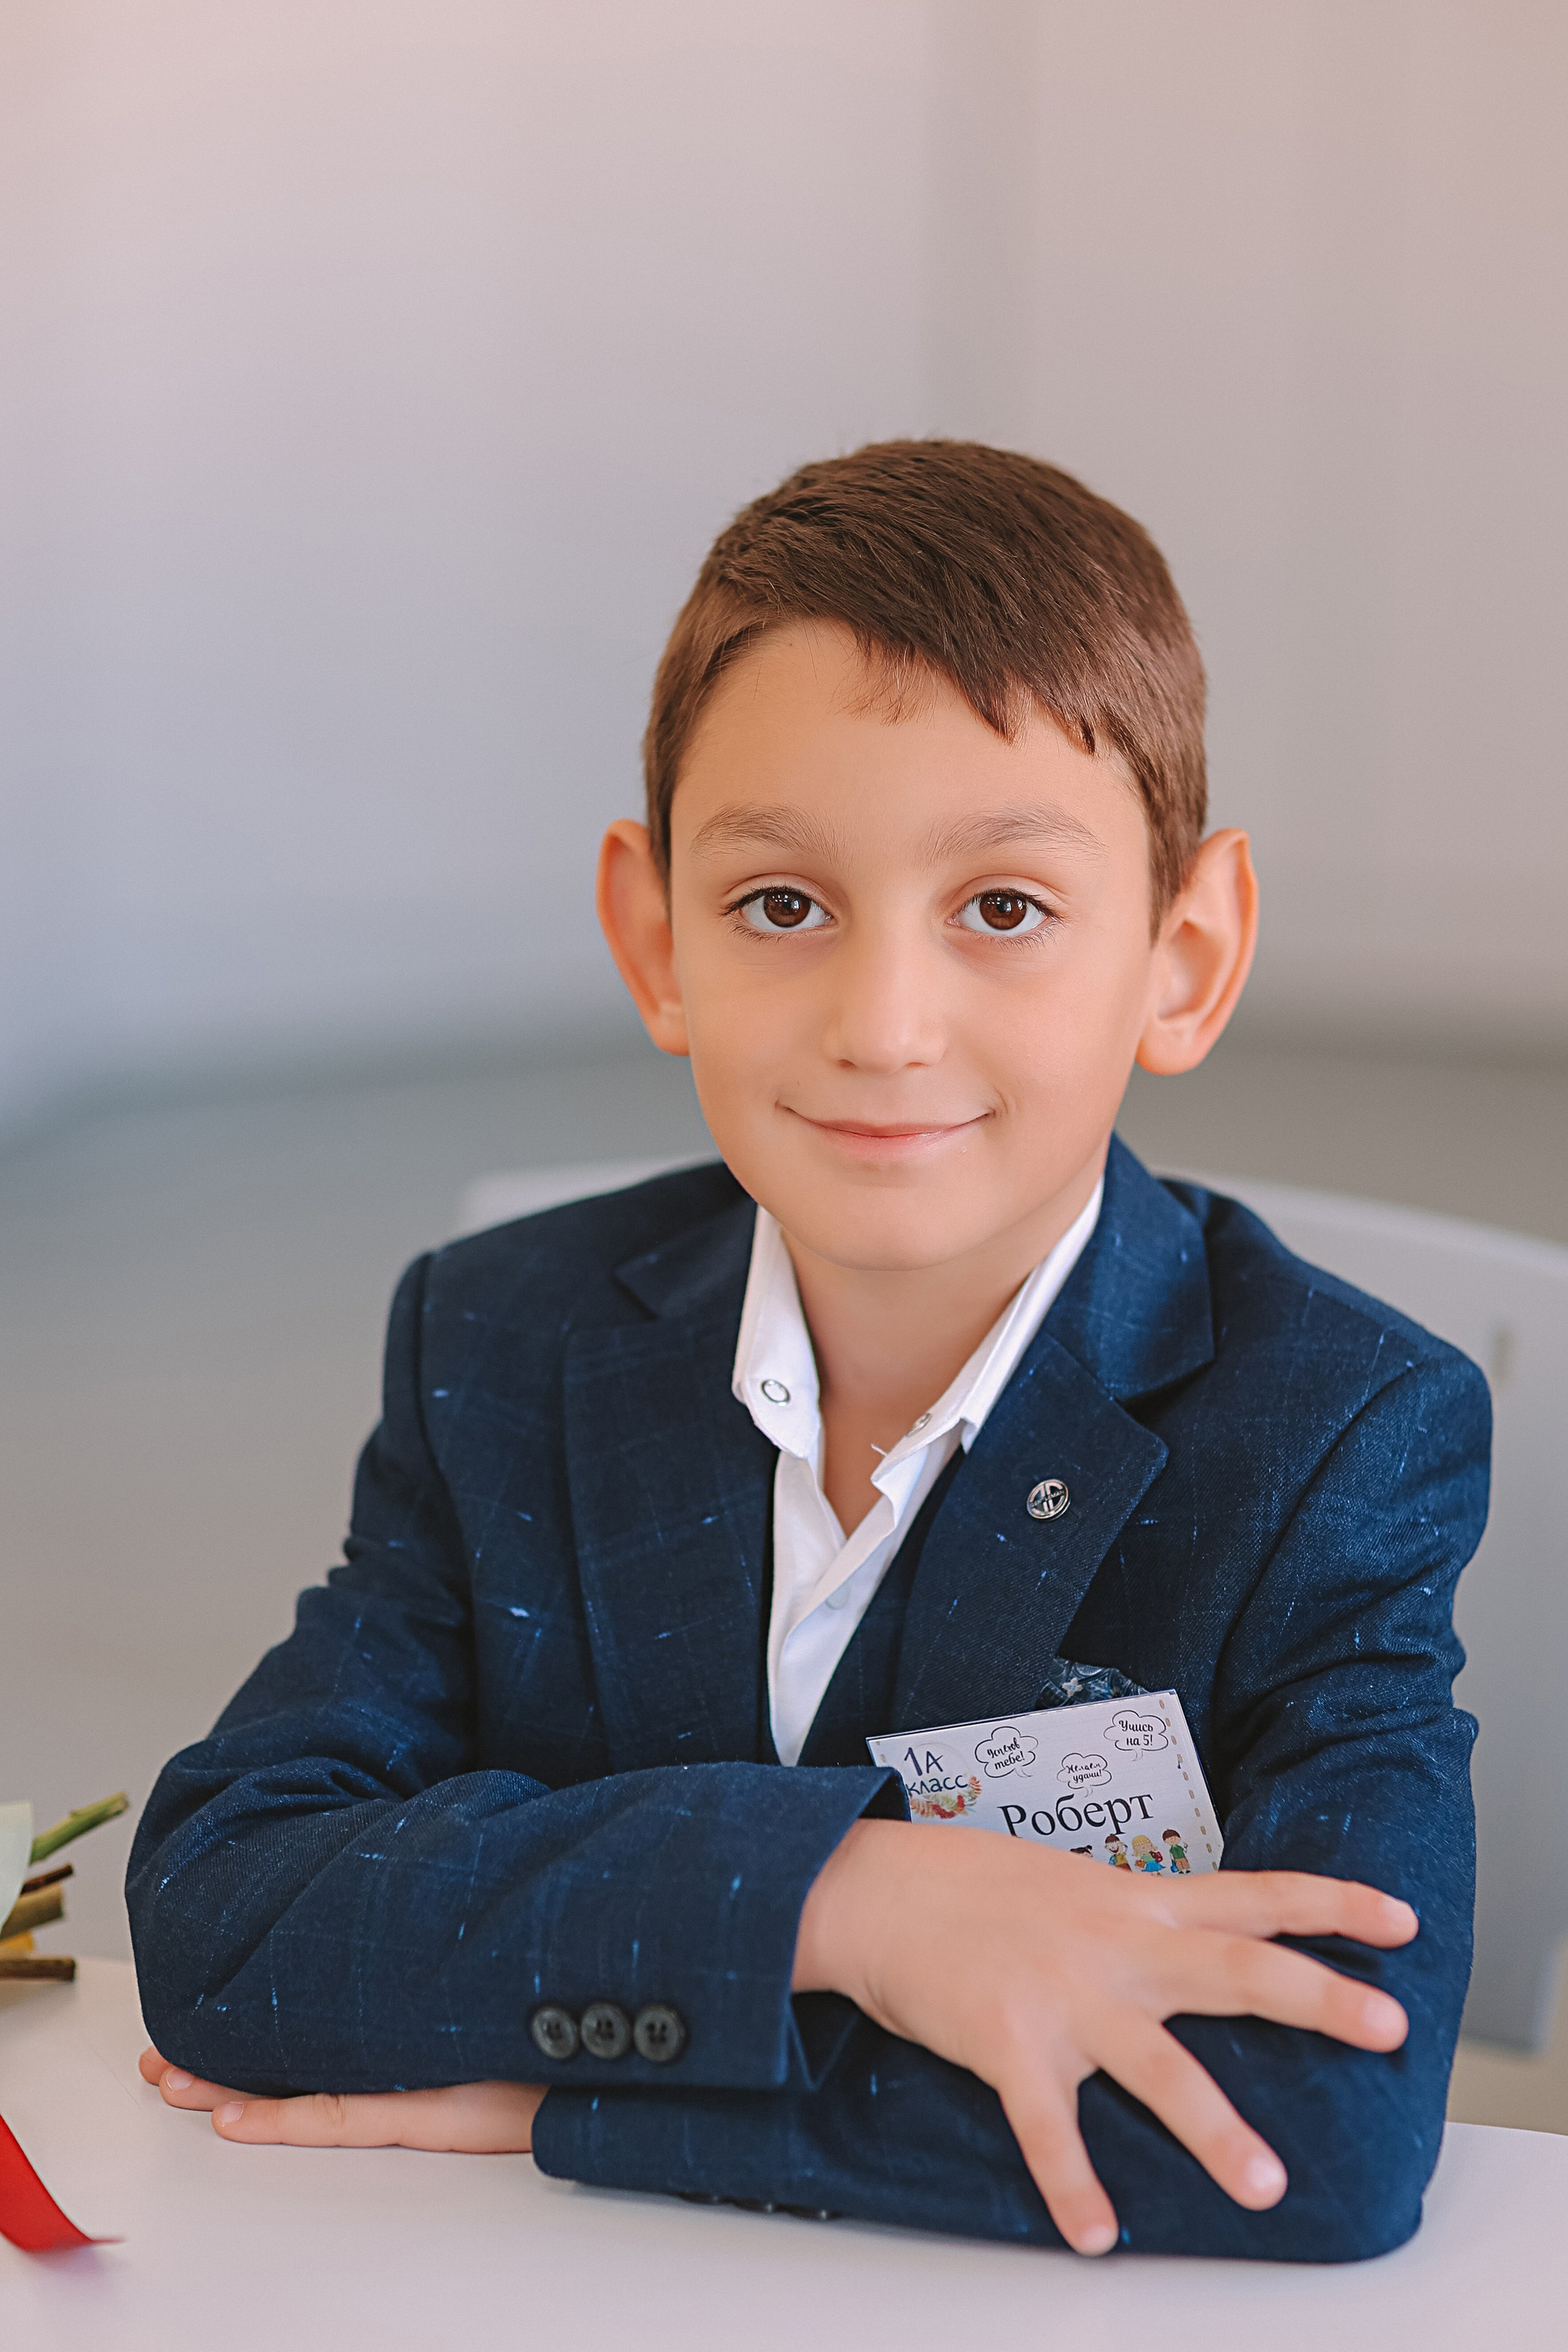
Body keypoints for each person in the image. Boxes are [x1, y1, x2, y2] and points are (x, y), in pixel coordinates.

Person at [126, 441, 1489, 2262]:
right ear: (655, 939)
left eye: (1003, 908)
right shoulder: (504, 1343)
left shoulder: (1340, 1433)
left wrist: (579, 2102)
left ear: (1184, 956)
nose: (885, 1024)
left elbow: (1321, 2126)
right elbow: (229, 1918)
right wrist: (848, 1900)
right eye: (783, 904)